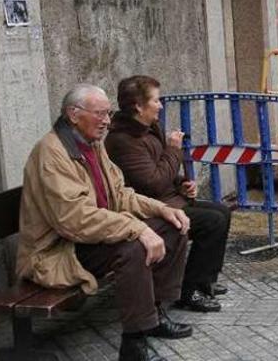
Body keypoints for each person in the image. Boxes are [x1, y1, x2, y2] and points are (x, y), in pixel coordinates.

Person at [17, 84, 192, 361]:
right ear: (73, 115)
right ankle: (134, 343)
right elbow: (74, 220)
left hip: (90, 238)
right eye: (100, 114)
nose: (107, 121)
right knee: (133, 248)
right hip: (60, 250)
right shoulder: (51, 153)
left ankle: (154, 314)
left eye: (108, 113)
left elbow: (120, 194)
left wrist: (162, 209)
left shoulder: (92, 144)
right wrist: (138, 228)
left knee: (175, 225)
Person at [105, 75, 231, 314]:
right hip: (147, 210)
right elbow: (152, 183)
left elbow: (161, 172)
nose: (161, 106)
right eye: (156, 100)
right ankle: (189, 291)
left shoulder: (148, 129)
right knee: (212, 222)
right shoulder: (123, 140)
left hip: (167, 200)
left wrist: (183, 183)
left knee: (221, 211)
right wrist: (174, 150)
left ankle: (203, 281)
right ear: (138, 106)